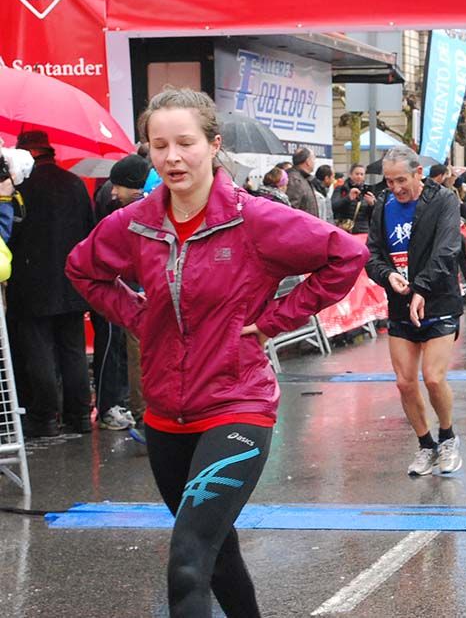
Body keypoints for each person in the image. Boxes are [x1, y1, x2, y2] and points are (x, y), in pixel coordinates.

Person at [66, 88, 368, 617]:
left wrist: (274, 320)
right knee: (215, 552)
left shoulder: (254, 219)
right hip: (164, 415)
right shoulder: (137, 223)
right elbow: (83, 268)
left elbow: (345, 255)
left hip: (237, 405)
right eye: (159, 145)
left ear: (213, 145)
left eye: (185, 143)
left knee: (187, 557)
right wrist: (139, 315)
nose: (172, 157)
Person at [366, 146, 464, 477]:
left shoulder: (444, 201)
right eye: (389, 181)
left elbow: (447, 249)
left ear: (418, 174)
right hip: (400, 305)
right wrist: (387, 275)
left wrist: (421, 287)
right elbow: (373, 254)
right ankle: (426, 445)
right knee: (405, 383)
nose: (395, 188)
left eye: (401, 180)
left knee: (433, 378)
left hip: (438, 299)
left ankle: (448, 437)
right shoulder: (382, 206)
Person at [8, 130, 95, 437]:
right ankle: (80, 416)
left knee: (39, 351)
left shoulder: (21, 188)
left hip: (30, 283)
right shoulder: (74, 184)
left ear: (25, 153)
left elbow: (10, 235)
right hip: (72, 280)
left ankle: (44, 417)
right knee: (72, 351)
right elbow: (90, 231)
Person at [93, 154, 150, 431]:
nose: (113, 192)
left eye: (118, 186)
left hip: (138, 296)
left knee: (139, 354)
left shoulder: (128, 217)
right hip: (151, 294)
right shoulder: (158, 208)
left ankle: (145, 417)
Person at [331, 163, 375, 234]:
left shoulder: (368, 190)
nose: (359, 177)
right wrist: (348, 198)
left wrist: (372, 205)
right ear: (350, 175)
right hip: (344, 230)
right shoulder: (341, 189)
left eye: (362, 174)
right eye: (357, 174)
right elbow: (333, 207)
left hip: (362, 231)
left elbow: (373, 216)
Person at [285, 147, 319, 217]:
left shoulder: (304, 178)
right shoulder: (294, 180)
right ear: (307, 162)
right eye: (313, 159)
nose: (314, 162)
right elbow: (290, 210)